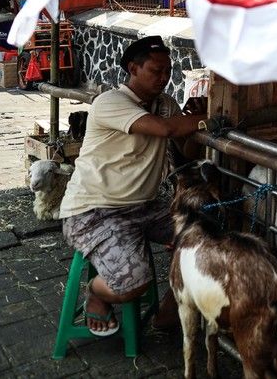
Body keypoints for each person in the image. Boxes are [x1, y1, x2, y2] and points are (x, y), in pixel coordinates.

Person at [59, 35, 207, 336]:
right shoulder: (110, 101)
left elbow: (186, 150)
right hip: (94, 211)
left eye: (168, 71)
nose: (164, 78)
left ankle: (170, 312)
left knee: (205, 238)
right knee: (133, 285)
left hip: (145, 207)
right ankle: (96, 292)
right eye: (156, 71)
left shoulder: (165, 103)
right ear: (133, 68)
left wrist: (192, 120)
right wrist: (211, 117)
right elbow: (164, 129)